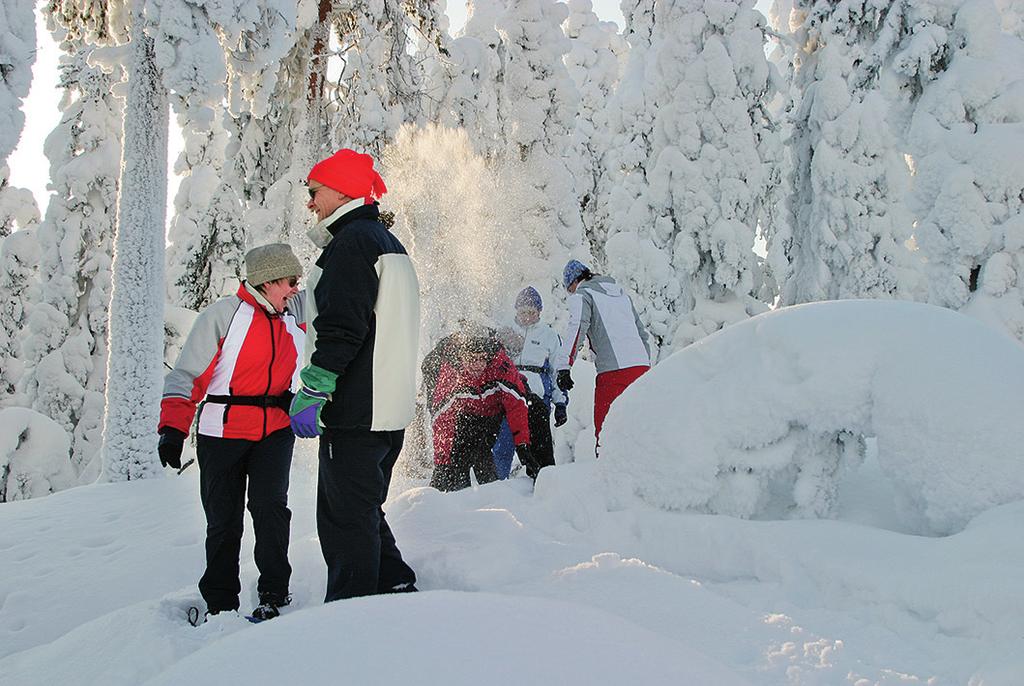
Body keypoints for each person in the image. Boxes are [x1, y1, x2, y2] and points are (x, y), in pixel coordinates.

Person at [289, 148, 419, 602]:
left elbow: (345, 328)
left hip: (357, 410)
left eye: (315, 191)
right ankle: (393, 580)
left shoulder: (352, 243)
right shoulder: (385, 243)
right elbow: (366, 318)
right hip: (387, 409)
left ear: (342, 191)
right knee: (362, 511)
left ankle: (352, 615)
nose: (310, 202)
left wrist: (314, 387)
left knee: (343, 521)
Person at [158, 243, 305, 623]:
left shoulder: (294, 311)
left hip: (275, 428)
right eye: (290, 281)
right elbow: (187, 375)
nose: (295, 288)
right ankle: (221, 603)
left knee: (270, 509)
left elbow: (333, 284)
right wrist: (173, 428)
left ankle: (274, 592)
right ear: (267, 281)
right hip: (221, 431)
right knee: (224, 519)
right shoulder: (223, 316)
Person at [422, 325, 534, 492]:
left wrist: (522, 445)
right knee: (458, 456)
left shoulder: (499, 364)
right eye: (472, 359)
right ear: (462, 358)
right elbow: (442, 422)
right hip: (462, 415)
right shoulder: (451, 375)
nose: (478, 365)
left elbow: (516, 406)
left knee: (482, 451)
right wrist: (441, 462)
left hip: (491, 413)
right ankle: (455, 498)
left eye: (482, 358)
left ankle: (493, 496)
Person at [555, 259, 651, 443]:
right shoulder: (621, 294)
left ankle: (607, 469)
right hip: (641, 369)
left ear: (574, 282)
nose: (571, 294)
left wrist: (564, 366)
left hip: (613, 373)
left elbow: (577, 329)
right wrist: (644, 364)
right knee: (638, 428)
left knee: (606, 432)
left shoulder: (583, 294)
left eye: (569, 289)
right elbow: (642, 334)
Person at [492, 287, 565, 480]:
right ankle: (497, 486)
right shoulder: (506, 332)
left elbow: (557, 370)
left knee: (539, 447)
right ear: (516, 311)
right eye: (523, 312)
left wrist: (560, 403)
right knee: (502, 446)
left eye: (531, 313)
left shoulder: (549, 335)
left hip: (537, 399)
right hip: (508, 398)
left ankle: (543, 484)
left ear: (539, 312)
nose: (527, 317)